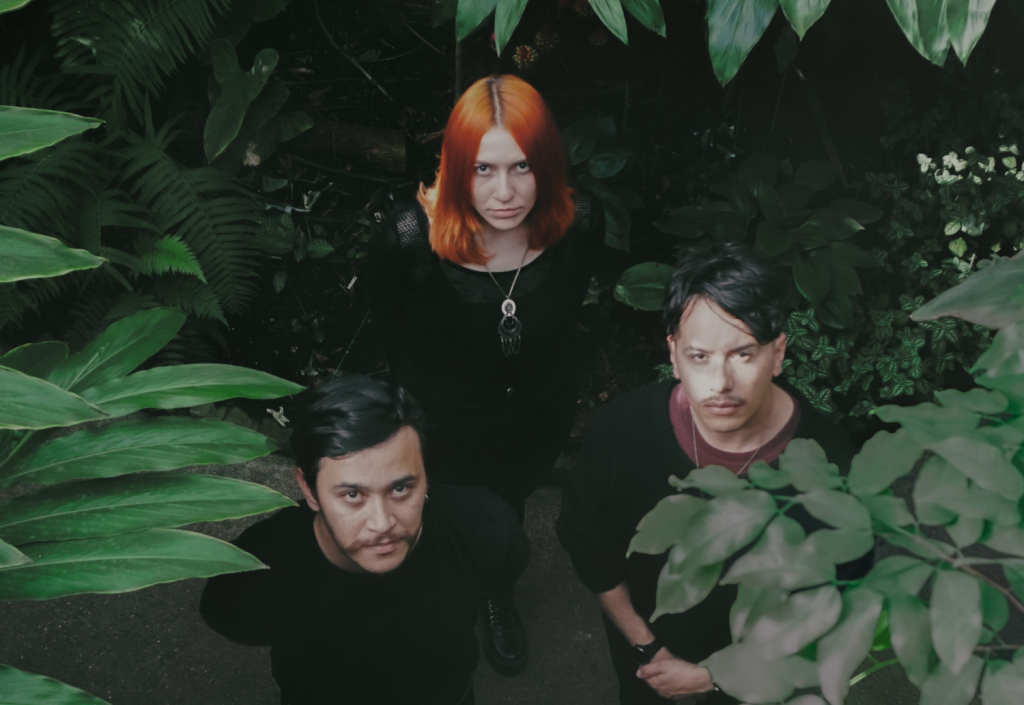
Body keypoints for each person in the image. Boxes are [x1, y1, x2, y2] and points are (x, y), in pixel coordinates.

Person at [556, 243, 873, 704]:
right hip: (646, 665)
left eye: (743, 354)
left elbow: (834, 612)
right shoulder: (621, 431)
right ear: (673, 354)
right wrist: (646, 646)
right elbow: (589, 545)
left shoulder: (832, 473)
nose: (720, 383)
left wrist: (713, 678)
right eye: (699, 356)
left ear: (778, 352)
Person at [367, 74, 604, 674]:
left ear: (547, 165)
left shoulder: (578, 224)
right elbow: (390, 332)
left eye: (523, 167)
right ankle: (424, 595)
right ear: (456, 168)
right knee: (430, 509)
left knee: (507, 510)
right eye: (483, 169)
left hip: (535, 413)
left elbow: (565, 313)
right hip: (441, 416)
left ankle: (495, 589)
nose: (504, 193)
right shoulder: (409, 238)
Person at [199, 376, 528, 705]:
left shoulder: (484, 528)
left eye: (400, 488)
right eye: (353, 494)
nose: (382, 524)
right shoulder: (253, 575)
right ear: (309, 490)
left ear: (426, 476)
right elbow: (233, 619)